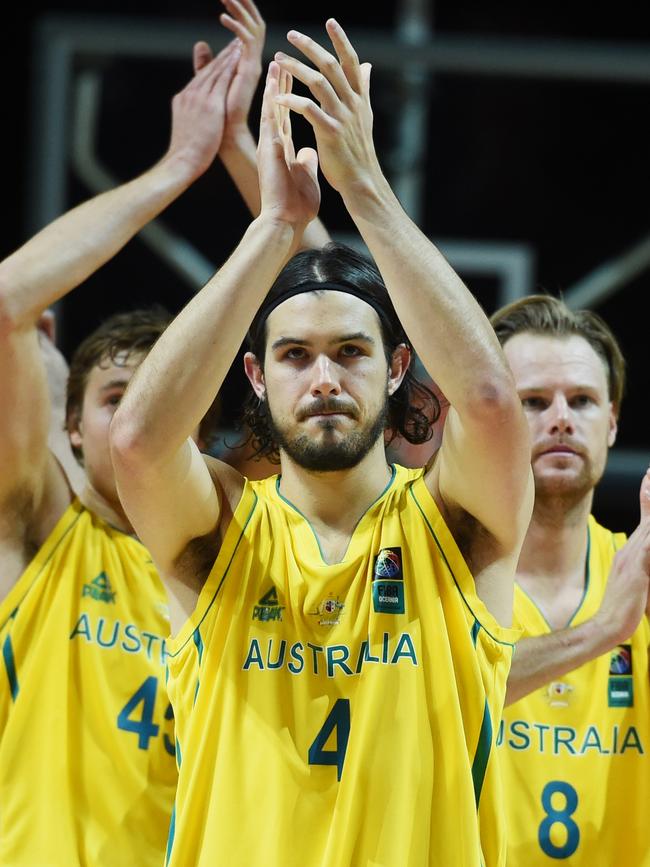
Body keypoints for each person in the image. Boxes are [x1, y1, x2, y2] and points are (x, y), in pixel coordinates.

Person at [110, 19, 533, 866]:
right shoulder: (225, 527)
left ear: (397, 367)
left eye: (351, 352)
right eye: (294, 356)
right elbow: (139, 441)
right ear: (259, 378)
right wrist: (272, 229)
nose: (325, 378)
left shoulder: (455, 524)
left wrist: (366, 188)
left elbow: (488, 398)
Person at [0, 32, 245, 865]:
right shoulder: (39, 529)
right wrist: (178, 167)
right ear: (70, 429)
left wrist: (267, 189)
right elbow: (6, 298)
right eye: (114, 400)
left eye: (163, 402)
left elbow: (354, 345)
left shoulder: (242, 554)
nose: (140, 424)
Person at [490, 294, 650, 866]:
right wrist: (606, 629)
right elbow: (447, 696)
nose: (560, 417)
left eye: (581, 400)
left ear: (610, 423)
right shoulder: (441, 573)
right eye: (533, 401)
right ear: (490, 420)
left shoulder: (642, 569)